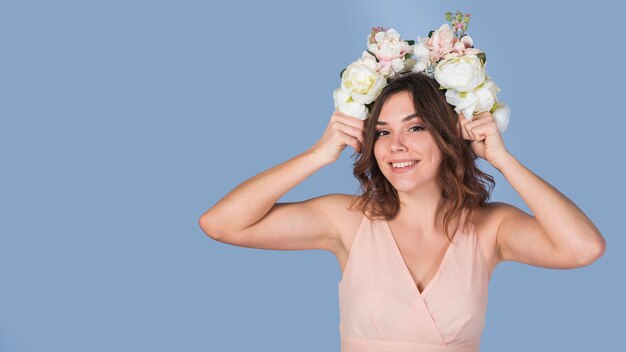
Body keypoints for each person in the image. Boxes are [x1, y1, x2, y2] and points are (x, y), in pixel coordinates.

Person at [198, 72, 606, 351]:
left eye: (415, 128)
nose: (396, 146)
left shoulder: (490, 227)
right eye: (382, 132)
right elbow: (219, 224)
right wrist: (318, 155)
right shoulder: (348, 219)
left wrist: (502, 158)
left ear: (449, 136)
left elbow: (583, 248)